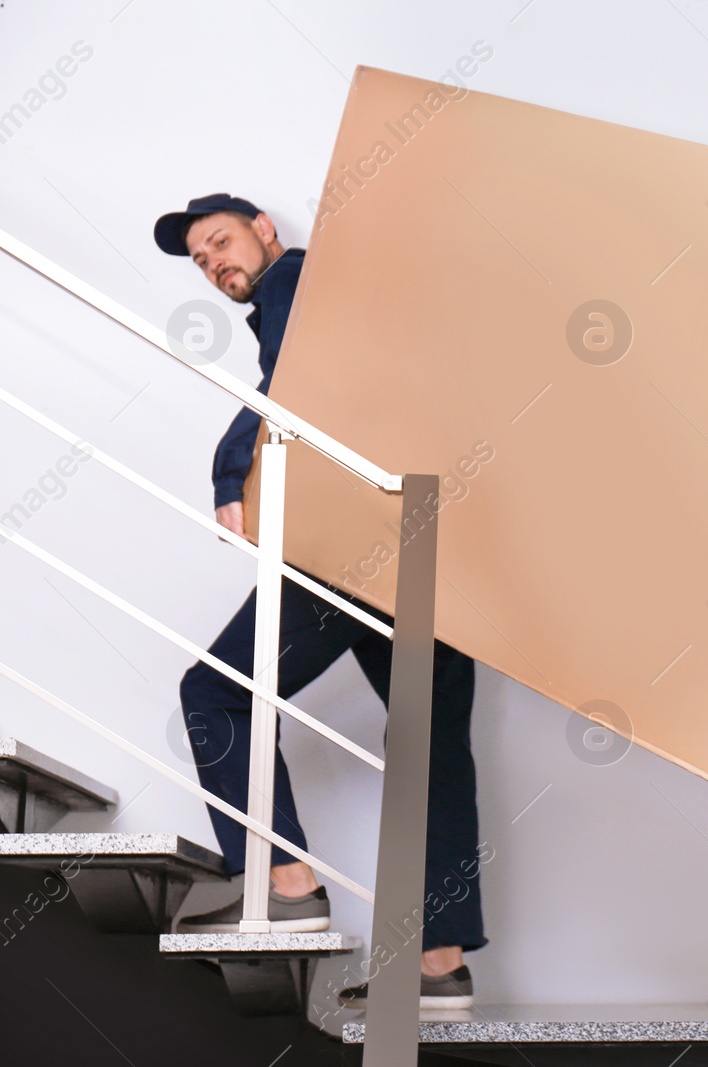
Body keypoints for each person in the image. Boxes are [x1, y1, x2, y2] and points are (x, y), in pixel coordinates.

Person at [155, 194, 485, 1010]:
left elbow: (288, 387)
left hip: (353, 547)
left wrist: (232, 468)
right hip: (427, 544)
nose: (215, 264)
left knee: (214, 692)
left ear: (265, 228)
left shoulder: (297, 279)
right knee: (428, 745)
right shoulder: (347, 295)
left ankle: (287, 885)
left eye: (221, 242)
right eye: (201, 260)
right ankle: (438, 968)